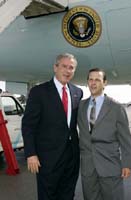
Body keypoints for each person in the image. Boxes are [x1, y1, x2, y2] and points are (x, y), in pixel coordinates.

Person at [22, 53, 83, 200]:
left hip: (71, 157)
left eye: (71, 68)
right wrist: (31, 154)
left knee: (68, 194)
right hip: (47, 158)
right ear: (55, 67)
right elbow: (28, 125)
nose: (67, 71)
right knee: (48, 195)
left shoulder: (77, 92)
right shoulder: (39, 92)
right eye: (64, 66)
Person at [78, 68, 131, 200]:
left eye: (97, 80)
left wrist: (127, 164)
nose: (93, 83)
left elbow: (125, 139)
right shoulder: (81, 106)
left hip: (110, 165)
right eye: (90, 79)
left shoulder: (116, 107)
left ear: (105, 83)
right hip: (88, 167)